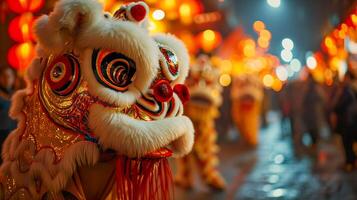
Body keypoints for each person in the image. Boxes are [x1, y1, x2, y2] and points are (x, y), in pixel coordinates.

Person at [333, 71, 357, 171]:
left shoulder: (348, 90)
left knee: (347, 143)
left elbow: (339, 106)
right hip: (352, 120)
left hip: (348, 120)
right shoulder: (353, 88)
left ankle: (350, 163)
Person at [302, 74, 326, 149]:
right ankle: (314, 145)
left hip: (315, 113)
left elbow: (322, 99)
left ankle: (316, 146)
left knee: (316, 130)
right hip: (309, 114)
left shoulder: (316, 88)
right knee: (311, 129)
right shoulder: (306, 88)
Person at [0, 67, 16, 157]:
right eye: (3, 76)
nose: (7, 79)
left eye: (9, 76)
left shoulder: (17, 95)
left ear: (13, 78)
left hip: (14, 135)